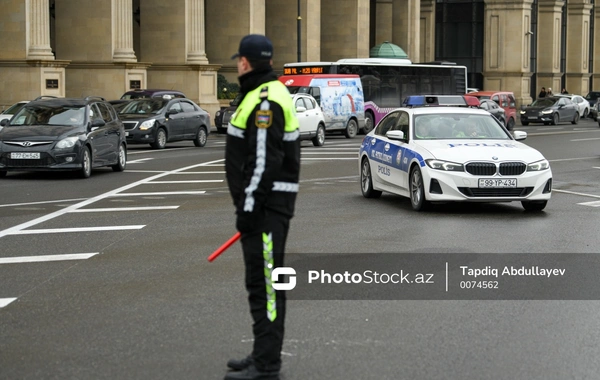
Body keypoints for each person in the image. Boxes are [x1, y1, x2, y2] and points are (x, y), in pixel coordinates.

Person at [224, 34, 300, 380]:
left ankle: (268, 366)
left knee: (266, 286)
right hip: (267, 207)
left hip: (266, 209)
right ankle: (261, 354)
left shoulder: (265, 100)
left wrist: (249, 208)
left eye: (238, 59)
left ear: (245, 62)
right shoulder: (262, 94)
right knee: (261, 284)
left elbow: (262, 162)